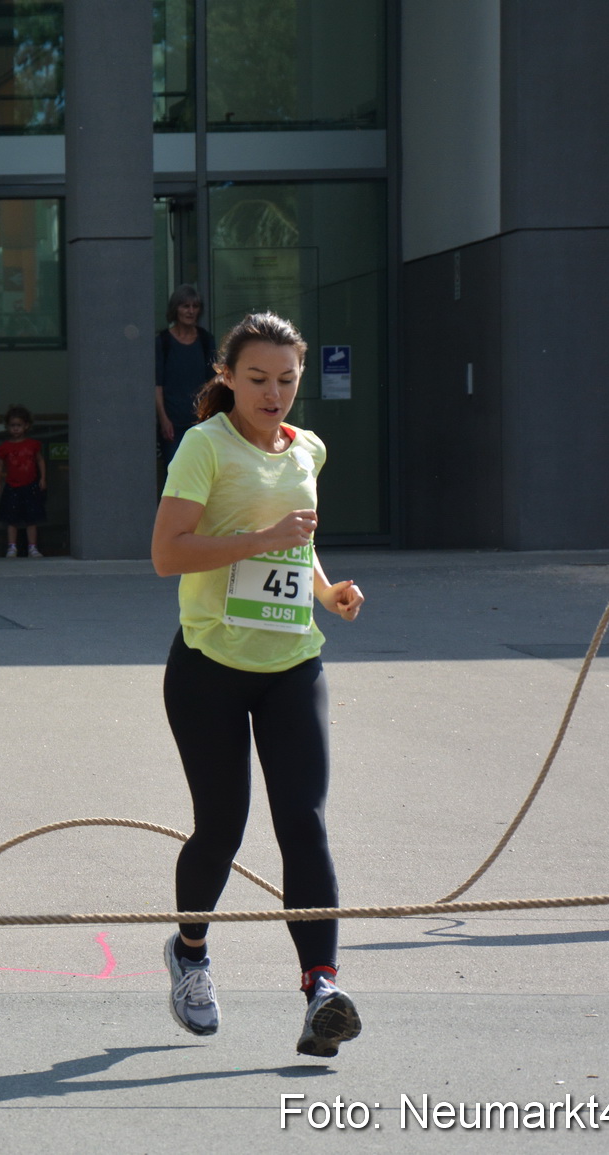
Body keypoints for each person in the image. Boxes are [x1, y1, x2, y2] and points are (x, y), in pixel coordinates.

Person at [150, 311, 367, 1057]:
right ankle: (191, 951)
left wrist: (327, 590)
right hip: (209, 667)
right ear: (227, 377)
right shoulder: (202, 447)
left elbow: (296, 543)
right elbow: (167, 553)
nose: (273, 393)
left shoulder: (308, 446)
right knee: (222, 827)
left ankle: (322, 989)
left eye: (286, 379)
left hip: (292, 664)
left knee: (303, 820)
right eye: (257, 379)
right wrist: (257, 540)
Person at [156, 284, 217, 458]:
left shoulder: (206, 340)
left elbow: (213, 383)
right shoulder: (163, 341)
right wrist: (163, 419)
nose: (191, 311)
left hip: (200, 421)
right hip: (172, 424)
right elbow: (157, 386)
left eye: (195, 306)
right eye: (185, 306)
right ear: (176, 309)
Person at [0, 404, 47, 558]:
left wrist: (43, 478)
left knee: (32, 518)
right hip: (12, 486)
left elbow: (40, 461)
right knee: (11, 518)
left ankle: (32, 547)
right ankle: (12, 546)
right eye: (12, 426)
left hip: (30, 485)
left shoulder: (33, 445)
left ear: (26, 426)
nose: (15, 429)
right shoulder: (5, 447)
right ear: (7, 427)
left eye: (19, 425)